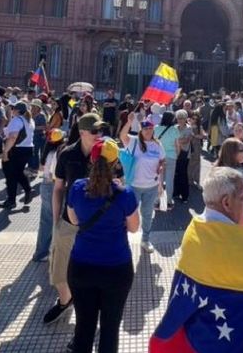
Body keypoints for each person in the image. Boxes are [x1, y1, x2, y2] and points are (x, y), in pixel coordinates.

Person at [66, 137, 139, 353]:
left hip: (81, 266)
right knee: (110, 329)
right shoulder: (125, 194)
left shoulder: (78, 188)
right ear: (116, 163)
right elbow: (134, 228)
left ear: (92, 160)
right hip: (116, 268)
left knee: (84, 327)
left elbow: (74, 220)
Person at [44, 113, 104, 327]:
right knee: (59, 272)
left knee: (93, 275)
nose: (100, 135)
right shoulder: (67, 154)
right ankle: (65, 300)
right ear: (82, 132)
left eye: (101, 130)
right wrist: (56, 222)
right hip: (68, 223)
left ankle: (90, 316)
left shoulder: (107, 153)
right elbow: (58, 188)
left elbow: (119, 184)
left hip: (97, 226)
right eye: (95, 131)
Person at [120, 114, 165, 253]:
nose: (148, 131)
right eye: (145, 129)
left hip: (151, 186)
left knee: (147, 214)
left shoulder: (157, 145)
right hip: (133, 186)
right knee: (128, 214)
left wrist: (161, 178)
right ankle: (123, 240)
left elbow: (162, 160)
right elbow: (122, 135)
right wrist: (128, 122)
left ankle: (145, 240)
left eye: (150, 129)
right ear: (141, 130)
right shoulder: (134, 142)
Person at [33, 128, 66, 263]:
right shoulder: (58, 154)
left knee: (46, 220)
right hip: (54, 187)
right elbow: (55, 175)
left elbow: (41, 169)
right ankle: (48, 252)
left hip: (45, 185)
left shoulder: (47, 152)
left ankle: (41, 252)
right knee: (55, 219)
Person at [0, 101, 35, 209]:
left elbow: (13, 137)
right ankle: (27, 189)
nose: (11, 110)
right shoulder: (29, 120)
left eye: (13, 109)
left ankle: (11, 200)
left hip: (16, 150)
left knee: (10, 176)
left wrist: (5, 152)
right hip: (27, 149)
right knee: (18, 172)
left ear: (17, 110)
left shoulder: (17, 120)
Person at [154, 111, 180, 205]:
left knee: (159, 179)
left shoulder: (156, 128)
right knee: (170, 180)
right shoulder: (174, 130)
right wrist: (177, 155)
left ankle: (157, 200)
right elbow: (177, 145)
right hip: (171, 156)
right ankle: (169, 200)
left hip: (158, 157)